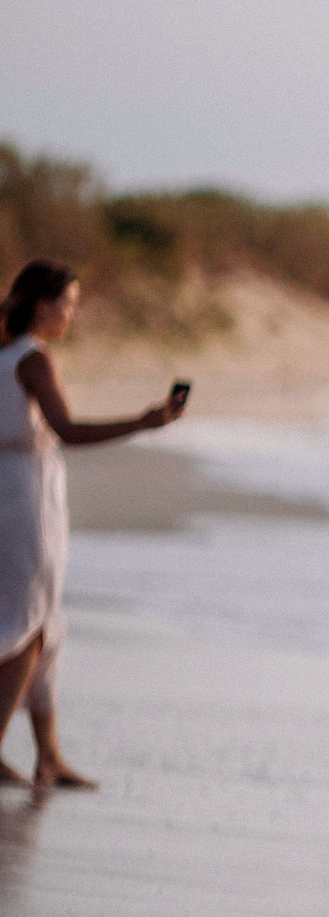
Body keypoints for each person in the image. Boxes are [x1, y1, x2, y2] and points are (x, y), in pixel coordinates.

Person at [1, 259, 186, 789]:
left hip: (8, 489)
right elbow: (70, 431)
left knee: (36, 620)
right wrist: (144, 422)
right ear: (42, 304)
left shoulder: (3, 354)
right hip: (29, 497)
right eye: (68, 304)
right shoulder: (34, 359)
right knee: (30, 623)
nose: (72, 315)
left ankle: (49, 754)